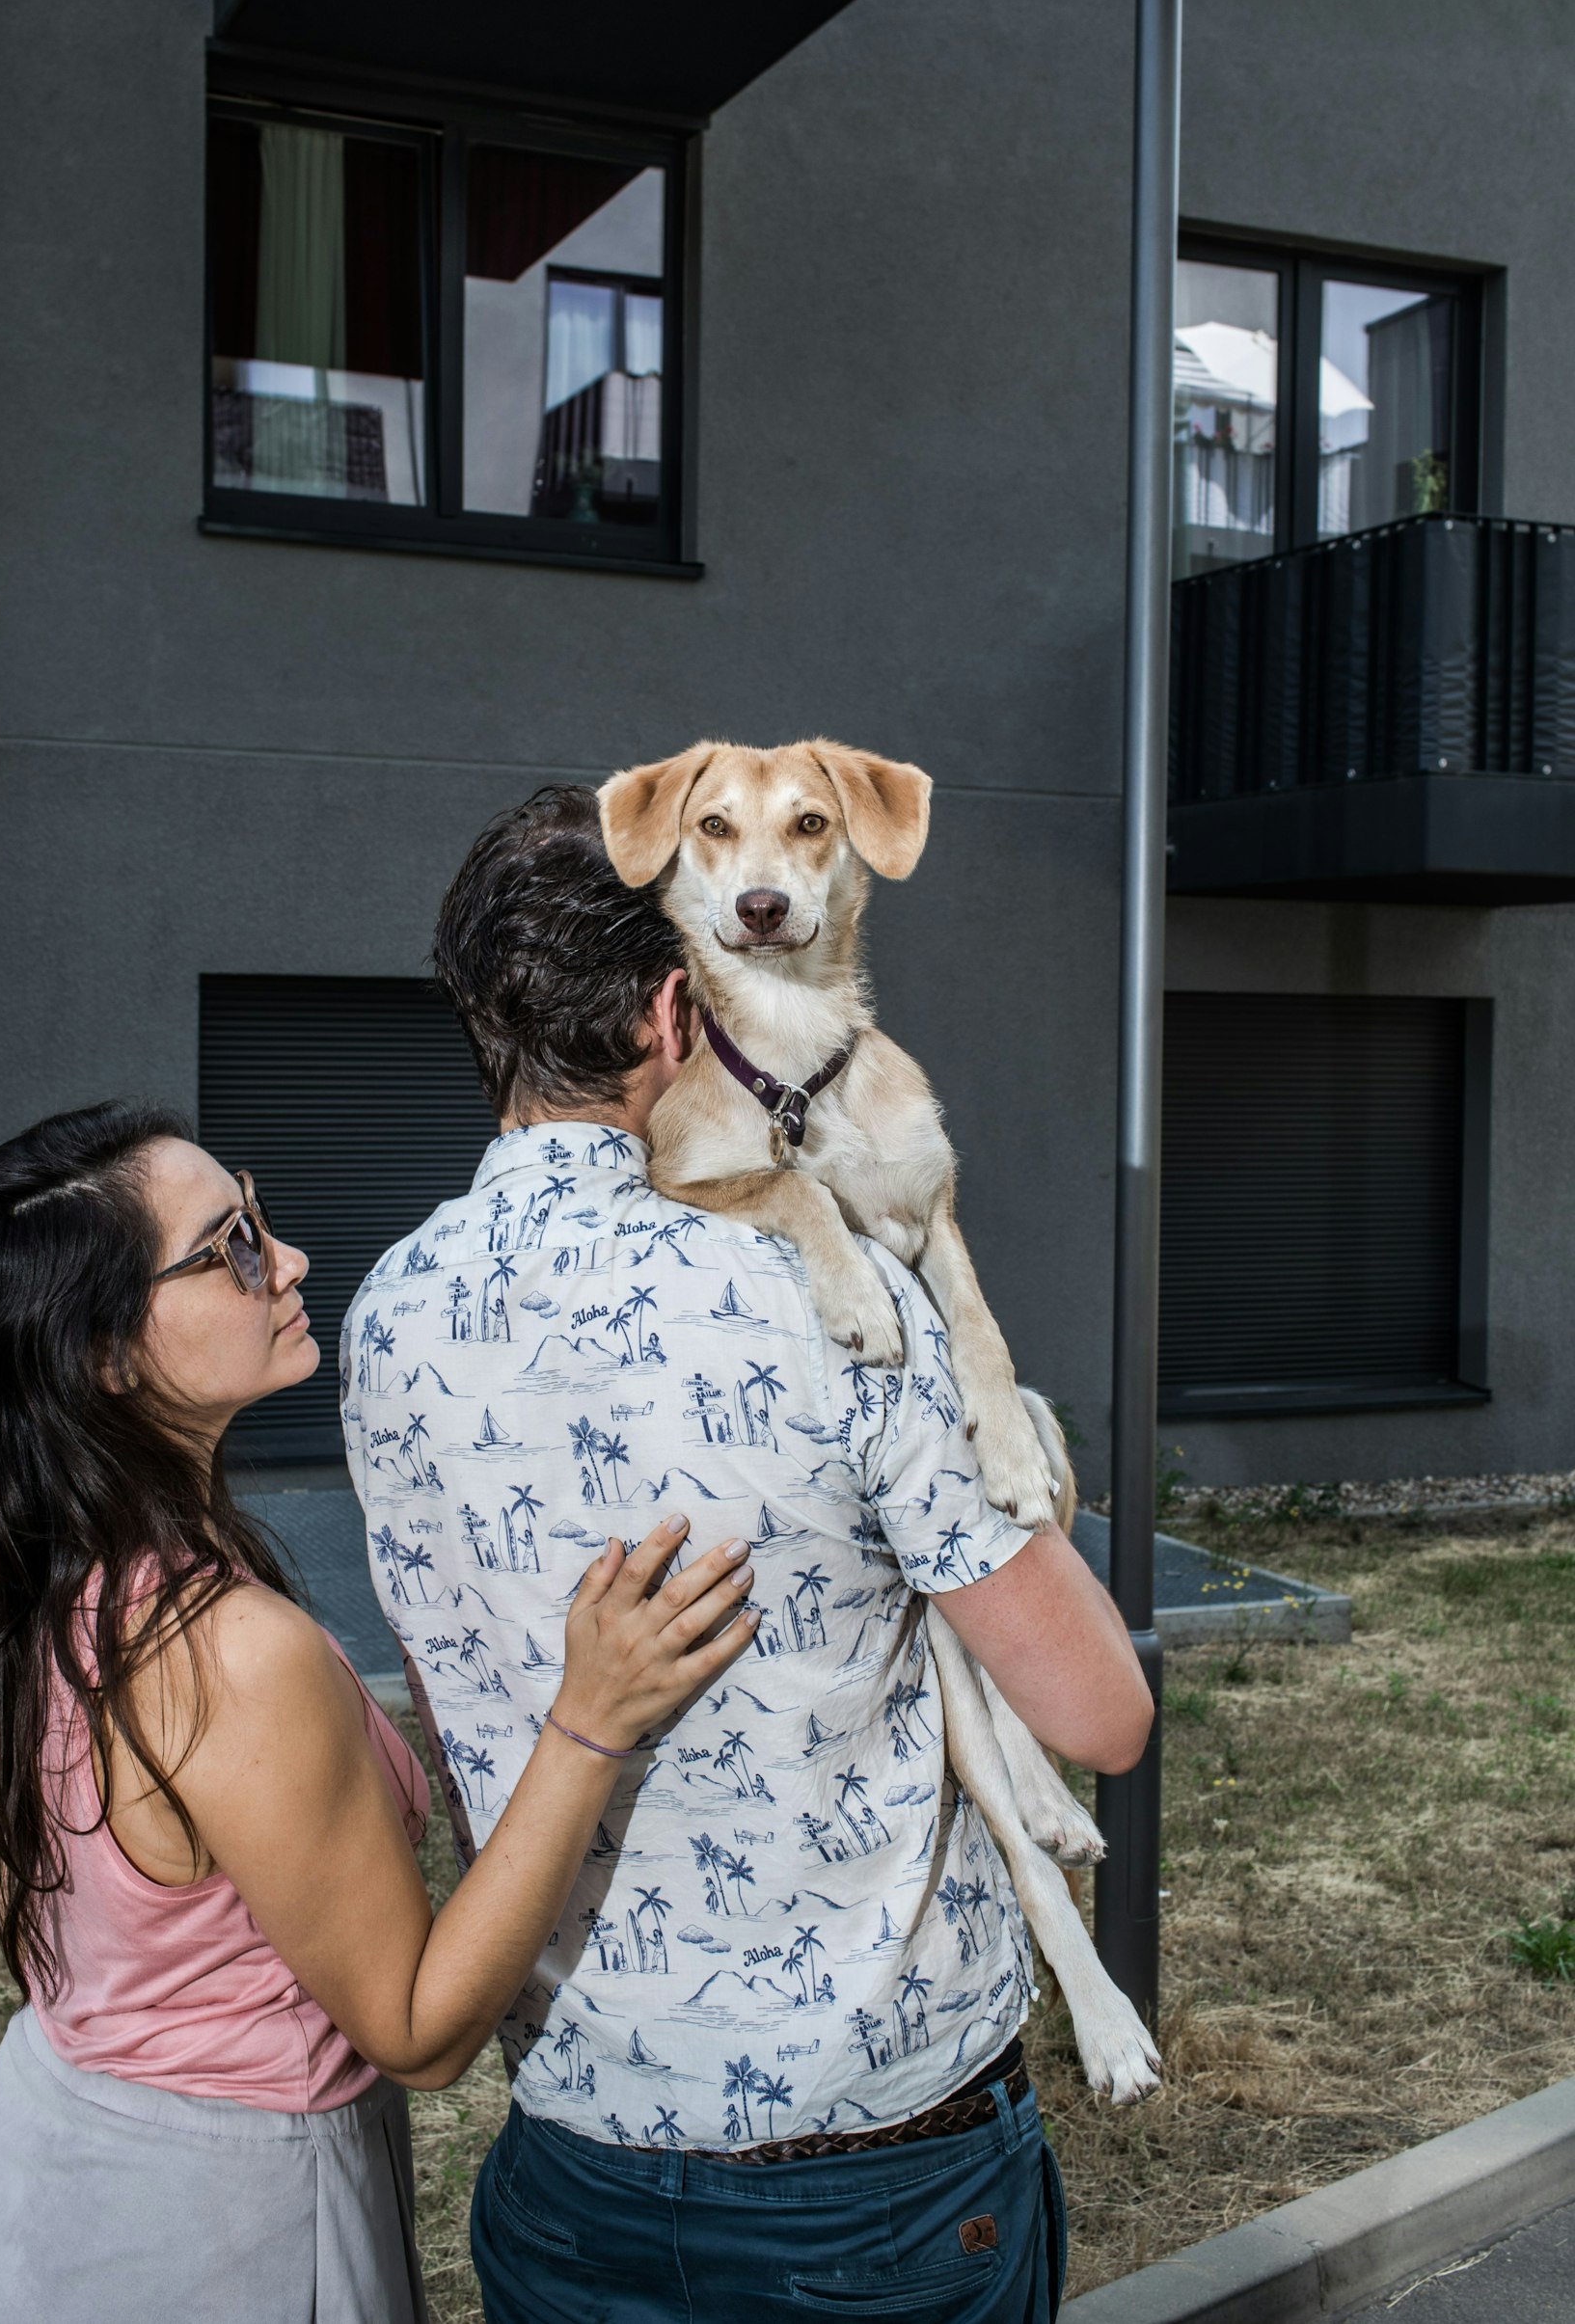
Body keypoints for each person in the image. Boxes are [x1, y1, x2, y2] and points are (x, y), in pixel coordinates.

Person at [342, 785, 1154, 2324]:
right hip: (876, 2166)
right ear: (680, 1004)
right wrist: (1015, 1453)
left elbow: (449, 1696)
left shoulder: (386, 1315)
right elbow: (1099, 1713)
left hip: (575, 2146)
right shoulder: (821, 1284)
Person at [0, 1098, 756, 2324]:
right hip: (213, 2225)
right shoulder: (225, 1651)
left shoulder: (10, 1579)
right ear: (104, 1355)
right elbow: (415, 2031)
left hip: (57, 2148)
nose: (291, 1259)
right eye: (231, 1247)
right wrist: (590, 1720)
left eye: (257, 1215)